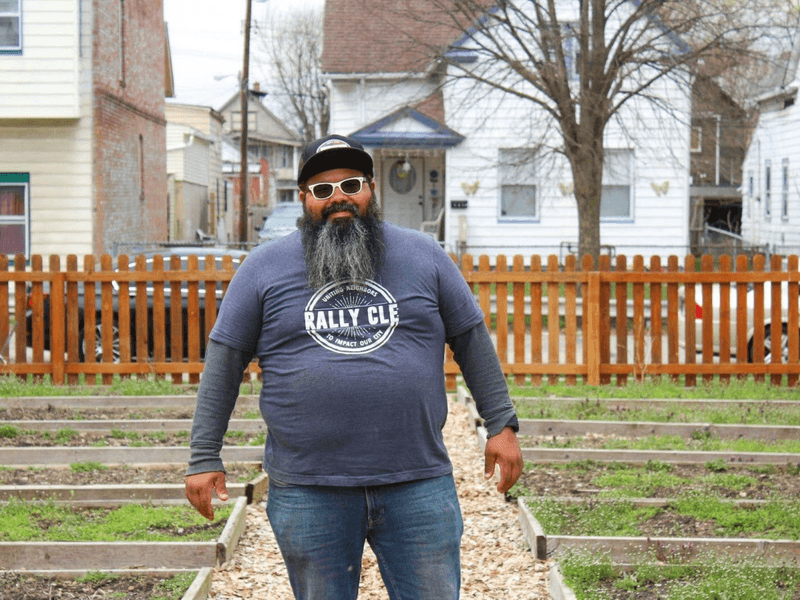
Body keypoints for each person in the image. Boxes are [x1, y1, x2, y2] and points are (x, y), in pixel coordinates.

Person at [185, 134, 523, 599]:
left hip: (417, 481)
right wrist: (204, 456)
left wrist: (501, 425)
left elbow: (471, 338)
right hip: (308, 487)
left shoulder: (424, 256)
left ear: (370, 189)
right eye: (322, 189)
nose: (338, 197)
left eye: (350, 183)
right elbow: (222, 364)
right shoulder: (262, 269)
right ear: (304, 198)